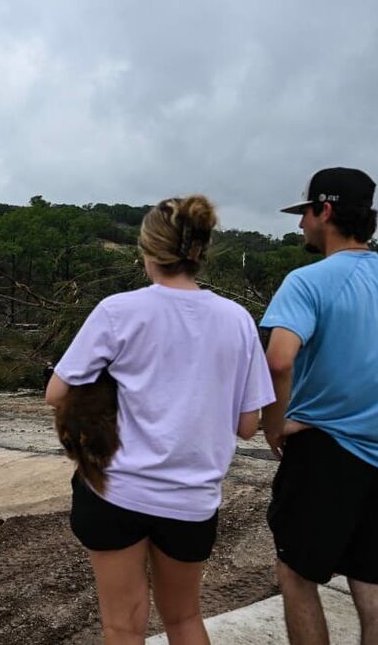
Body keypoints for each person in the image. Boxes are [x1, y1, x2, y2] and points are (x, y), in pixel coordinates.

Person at [46, 195, 274, 645]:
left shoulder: (118, 311)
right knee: (185, 620)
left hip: (117, 490)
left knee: (122, 627)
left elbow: (56, 393)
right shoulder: (238, 320)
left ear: (148, 251)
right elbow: (248, 425)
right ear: (200, 252)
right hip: (192, 498)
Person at [260, 168, 378, 645]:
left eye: (304, 214)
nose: (300, 226)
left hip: (323, 454)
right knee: (374, 586)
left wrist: (274, 426)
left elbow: (278, 362)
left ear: (325, 211)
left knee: (296, 576)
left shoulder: (306, 282)